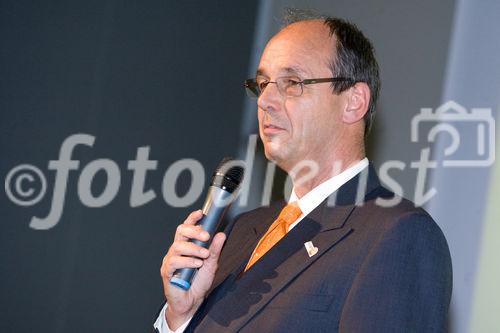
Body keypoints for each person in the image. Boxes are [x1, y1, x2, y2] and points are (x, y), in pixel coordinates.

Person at [153, 12, 452, 333]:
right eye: (263, 83)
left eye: (292, 83)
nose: (265, 100)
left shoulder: (398, 235)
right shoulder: (241, 230)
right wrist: (180, 317)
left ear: (354, 101)